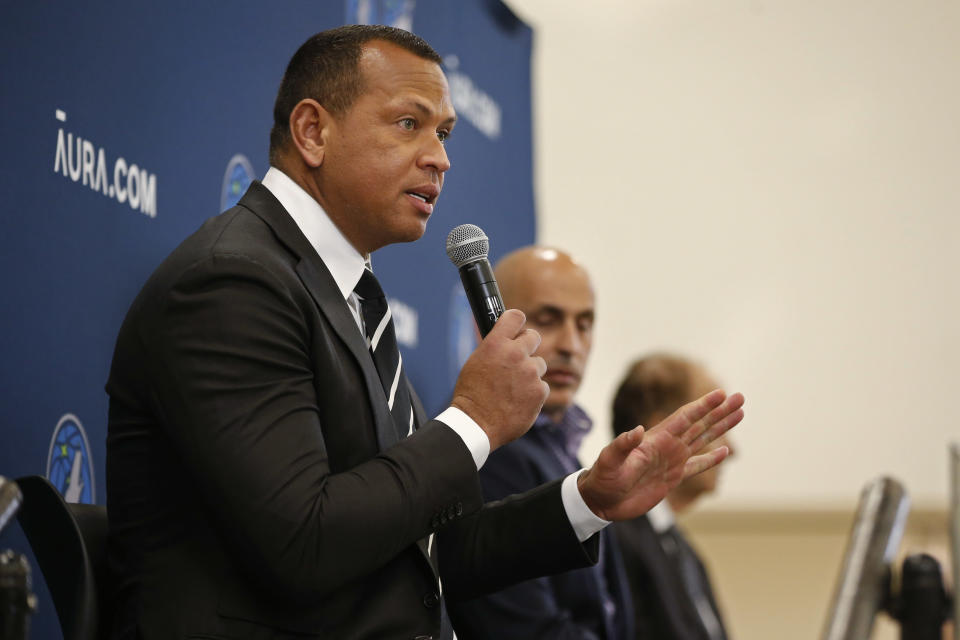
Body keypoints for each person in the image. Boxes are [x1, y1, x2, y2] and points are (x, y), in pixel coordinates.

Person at [105, 26, 744, 640]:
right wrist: (473, 421)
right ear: (312, 131)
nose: (439, 157)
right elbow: (304, 543)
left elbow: (429, 552)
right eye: (409, 123)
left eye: (443, 132)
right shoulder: (233, 283)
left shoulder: (351, 296)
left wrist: (588, 500)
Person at [450, 246, 634, 639]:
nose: (572, 345)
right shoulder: (486, 452)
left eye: (584, 324)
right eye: (549, 320)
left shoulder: (562, 445)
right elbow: (523, 628)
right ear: (487, 327)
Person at [611, 354, 736, 640]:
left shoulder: (684, 552)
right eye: (716, 426)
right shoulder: (611, 542)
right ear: (666, 430)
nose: (732, 448)